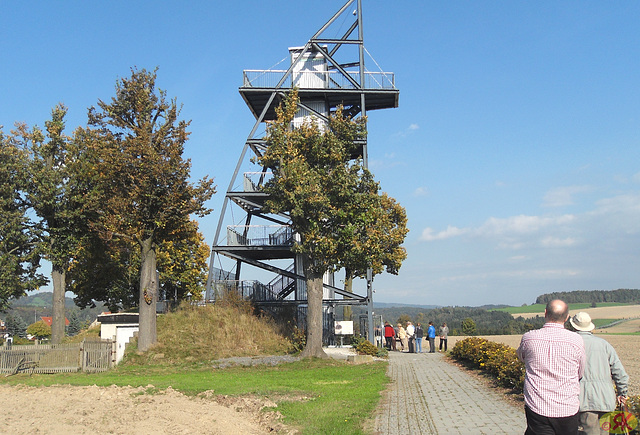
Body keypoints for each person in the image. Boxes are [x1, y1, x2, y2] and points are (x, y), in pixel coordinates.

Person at [517, 299, 586, 435]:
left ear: (545, 313)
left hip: (538, 406)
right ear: (567, 317)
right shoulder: (576, 341)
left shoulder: (529, 338)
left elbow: (521, 357)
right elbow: (580, 372)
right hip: (567, 407)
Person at [570, 312, 629, 435]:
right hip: (606, 399)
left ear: (574, 326)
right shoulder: (604, 344)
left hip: (584, 399)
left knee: (590, 431)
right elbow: (619, 372)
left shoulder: (571, 345)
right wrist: (622, 393)